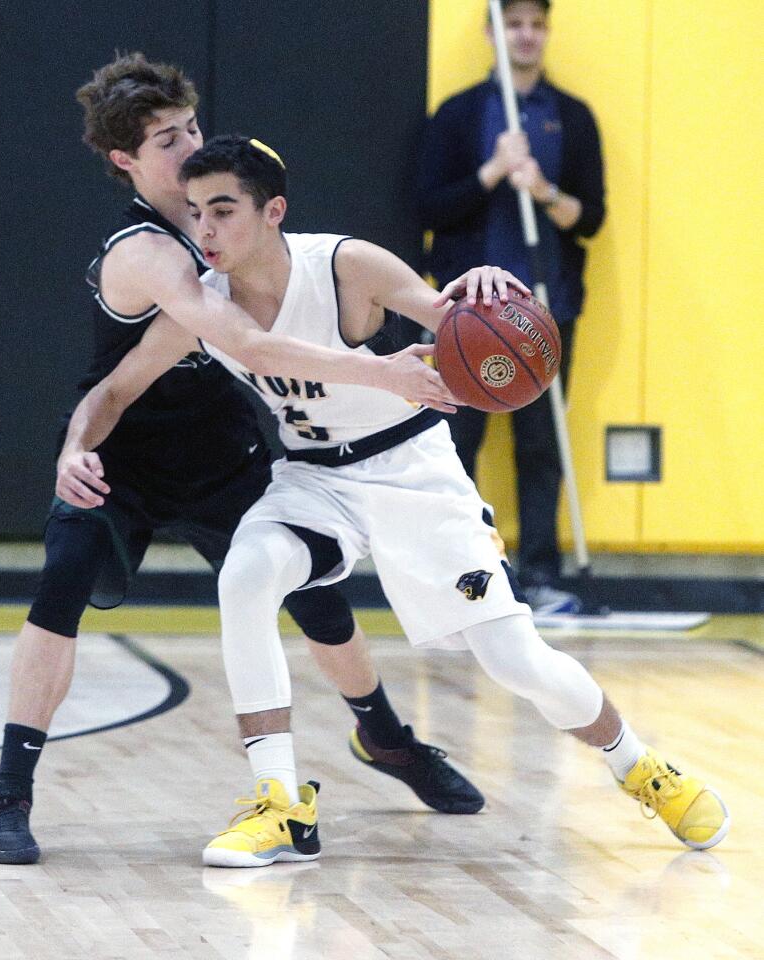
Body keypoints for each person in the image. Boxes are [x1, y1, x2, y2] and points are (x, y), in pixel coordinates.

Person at [72, 135, 728, 868]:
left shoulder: (346, 265)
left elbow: (451, 315)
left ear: (273, 211)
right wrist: (75, 447)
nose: (205, 231)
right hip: (314, 480)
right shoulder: (205, 305)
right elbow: (114, 389)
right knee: (247, 575)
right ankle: (279, 801)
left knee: (514, 659)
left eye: (222, 210)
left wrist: (481, 281)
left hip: (412, 473)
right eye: (194, 213)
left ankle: (640, 767)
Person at [0, 54, 483, 867]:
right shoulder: (147, 253)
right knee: (61, 586)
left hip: (221, 450)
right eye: (167, 140)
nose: (189, 147)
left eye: (192, 129)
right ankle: (8, 793)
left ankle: (386, 739)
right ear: (126, 162)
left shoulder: (227, 219)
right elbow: (235, 343)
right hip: (124, 456)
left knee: (318, 595)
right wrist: (73, 447)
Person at [418, 0, 606, 615]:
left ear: (546, 32)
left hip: (545, 308)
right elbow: (431, 209)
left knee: (540, 444)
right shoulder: (460, 115)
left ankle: (542, 577)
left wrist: (543, 190)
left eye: (536, 24)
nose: (525, 36)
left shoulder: (571, 117)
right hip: (467, 313)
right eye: (513, 24)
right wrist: (494, 172)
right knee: (454, 445)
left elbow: (592, 219)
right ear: (491, 33)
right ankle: (458, 575)